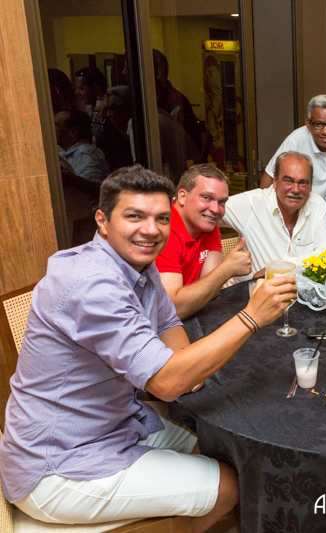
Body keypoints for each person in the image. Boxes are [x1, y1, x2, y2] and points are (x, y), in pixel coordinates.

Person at [0, 165, 296, 531]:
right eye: (134, 216)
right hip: (60, 461)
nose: (151, 229)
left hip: (115, 422)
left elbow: (167, 321)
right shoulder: (93, 285)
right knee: (229, 486)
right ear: (102, 221)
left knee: (219, 447)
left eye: (160, 218)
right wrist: (251, 317)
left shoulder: (138, 264)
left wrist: (186, 369)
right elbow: (167, 384)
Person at [156, 164, 253, 319]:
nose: (215, 209)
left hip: (194, 314)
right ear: (182, 196)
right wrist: (227, 269)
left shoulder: (208, 226)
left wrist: (217, 277)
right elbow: (173, 310)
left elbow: (211, 291)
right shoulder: (164, 231)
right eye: (207, 198)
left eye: (221, 202)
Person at [224, 152, 326, 284]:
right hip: (250, 293)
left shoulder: (317, 205)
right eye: (288, 181)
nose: (296, 189)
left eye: (303, 183)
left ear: (311, 186)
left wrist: (279, 268)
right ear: (275, 181)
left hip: (299, 293)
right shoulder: (252, 204)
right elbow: (208, 210)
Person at [55, 109, 111, 183]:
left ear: (73, 133)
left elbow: (95, 187)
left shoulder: (84, 154)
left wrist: (71, 178)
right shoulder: (72, 152)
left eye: (55, 124)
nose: (51, 128)